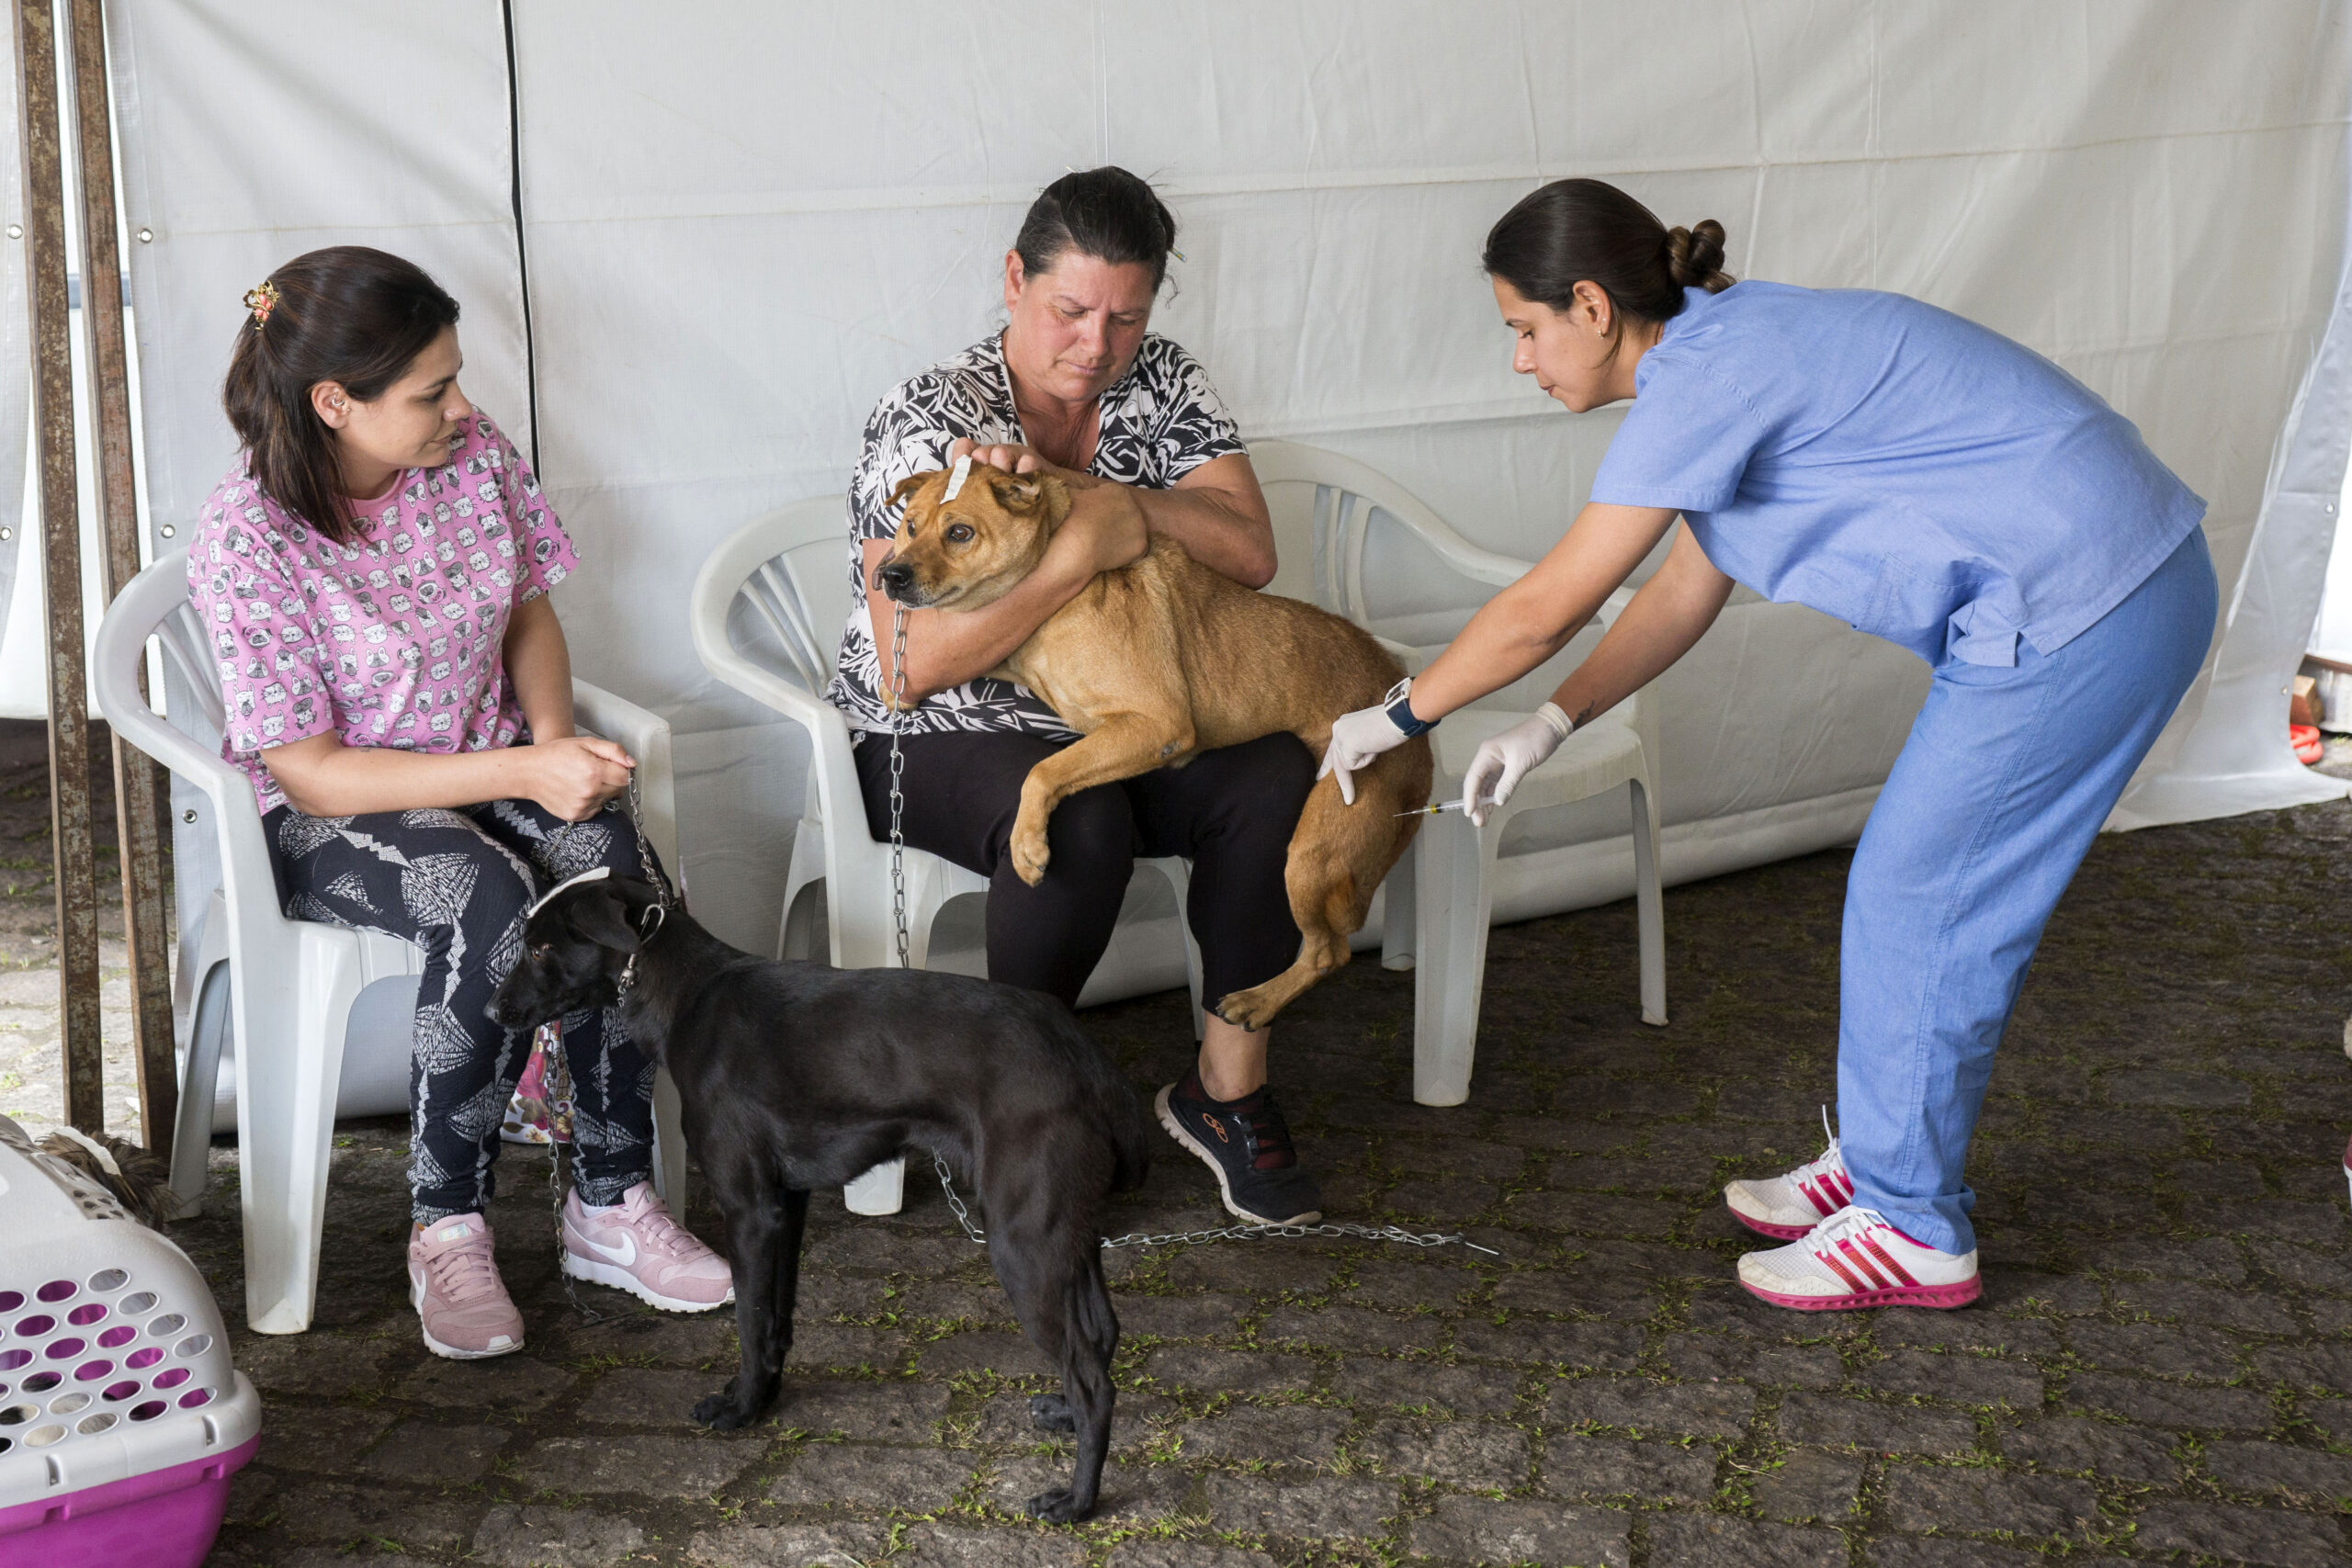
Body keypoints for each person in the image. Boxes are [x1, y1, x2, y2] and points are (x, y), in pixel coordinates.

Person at [1321, 179, 2218, 1311]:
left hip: (2089, 598)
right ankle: (1890, 1158)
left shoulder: (1705, 377)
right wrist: (1555, 721)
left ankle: (1911, 1223)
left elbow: (1544, 606)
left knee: (1919, 894)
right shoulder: (1731, 346)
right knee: (1914, 888)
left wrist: (1398, 714)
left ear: (1589, 308)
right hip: (2115, 574)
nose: (1520, 360)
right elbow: (1687, 584)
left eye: (1523, 330)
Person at [187, 246, 731, 1358]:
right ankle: (447, 1226)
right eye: (431, 390)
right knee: (476, 893)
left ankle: (611, 1203)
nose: (461, 406)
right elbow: (312, 771)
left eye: (455, 377)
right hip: (333, 813)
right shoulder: (246, 537)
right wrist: (522, 775)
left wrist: (550, 744)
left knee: (608, 860)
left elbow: (528, 610)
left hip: (491, 753)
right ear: (334, 403)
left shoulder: (471, 456)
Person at [823, 167, 1323, 1225]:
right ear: (1014, 280)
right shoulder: (929, 415)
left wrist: (1110, 501)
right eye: (1069, 311)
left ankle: (1224, 1092)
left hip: (1122, 718)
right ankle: (1012, 1110)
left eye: (1125, 318)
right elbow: (913, 660)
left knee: (1276, 771)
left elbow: (1249, 551)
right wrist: (1073, 554)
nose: (1096, 348)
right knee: (1079, 816)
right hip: (935, 738)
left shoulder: (1163, 387)